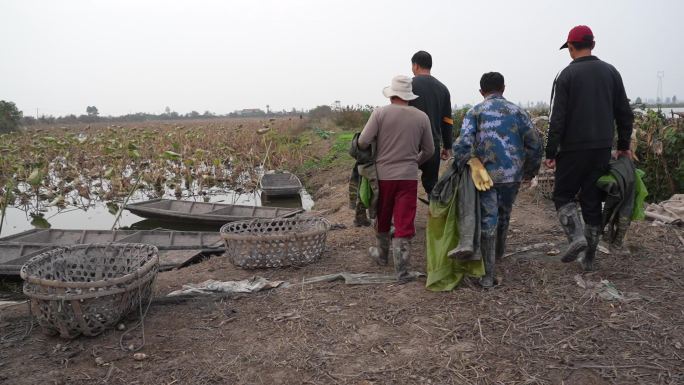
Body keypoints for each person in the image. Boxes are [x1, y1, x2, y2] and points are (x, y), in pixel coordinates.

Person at [545, 25, 634, 271]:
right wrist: (624, 145)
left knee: (563, 195)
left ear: (571, 47)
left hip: (572, 149)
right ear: (593, 44)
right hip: (602, 149)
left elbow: (557, 118)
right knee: (592, 199)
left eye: (569, 49)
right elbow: (624, 113)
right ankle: (589, 260)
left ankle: (576, 238)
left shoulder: (565, 76)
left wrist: (551, 152)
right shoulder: (611, 73)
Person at [452, 72, 542, 287]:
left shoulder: (475, 112)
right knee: (504, 214)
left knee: (487, 218)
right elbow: (535, 143)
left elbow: (463, 143)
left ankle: (488, 274)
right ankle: (499, 254)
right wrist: (529, 171)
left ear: (481, 91)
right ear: (504, 88)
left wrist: (469, 161)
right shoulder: (518, 112)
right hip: (512, 175)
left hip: (485, 176)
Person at [358, 75, 434, 281]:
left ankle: (382, 255)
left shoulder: (380, 114)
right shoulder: (421, 117)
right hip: (408, 177)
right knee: (404, 219)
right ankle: (402, 270)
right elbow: (429, 150)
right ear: (408, 96)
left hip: (383, 177)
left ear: (392, 95)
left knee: (383, 215)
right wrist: (413, 163)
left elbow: (363, 142)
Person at [409, 51, 454, 195]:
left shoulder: (409, 86)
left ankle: (404, 214)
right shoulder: (443, 88)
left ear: (415, 65)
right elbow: (447, 120)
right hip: (432, 144)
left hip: (410, 144)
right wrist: (447, 146)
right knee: (432, 184)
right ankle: (435, 214)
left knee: (406, 182)